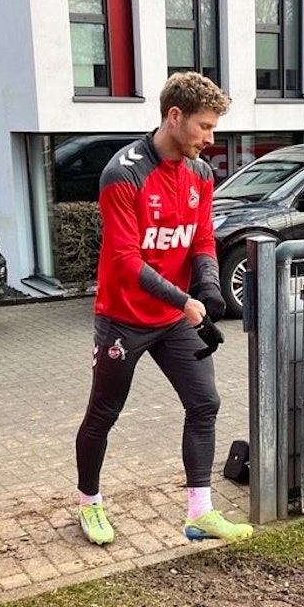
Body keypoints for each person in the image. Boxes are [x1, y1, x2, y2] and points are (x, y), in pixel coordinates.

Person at [73, 72, 252, 546]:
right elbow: (125, 261)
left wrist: (210, 290)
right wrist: (186, 300)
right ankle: (89, 504)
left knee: (205, 403)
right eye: (204, 127)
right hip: (123, 319)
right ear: (175, 117)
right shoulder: (124, 173)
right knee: (104, 413)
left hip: (173, 319)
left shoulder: (200, 174)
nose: (211, 140)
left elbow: (202, 240)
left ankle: (200, 513)